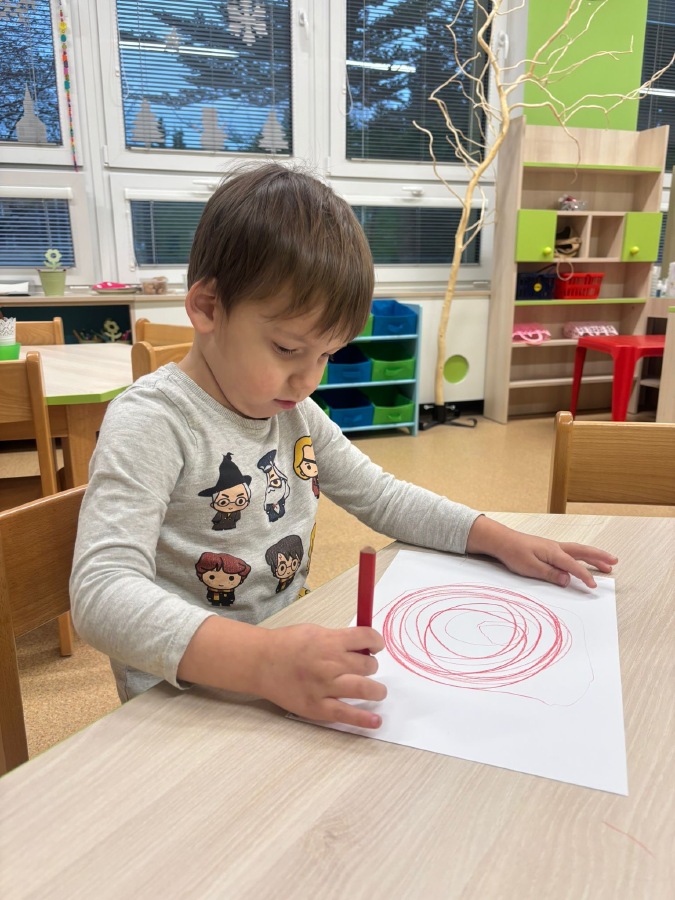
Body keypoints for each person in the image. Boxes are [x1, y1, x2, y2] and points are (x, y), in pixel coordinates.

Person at [70, 163, 617, 730]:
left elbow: (381, 496)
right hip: (183, 706)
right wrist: (265, 661)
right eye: (288, 349)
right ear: (208, 308)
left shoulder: (294, 413)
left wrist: (498, 538)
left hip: (289, 673)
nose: (309, 380)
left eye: (327, 355)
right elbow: (102, 593)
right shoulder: (153, 421)